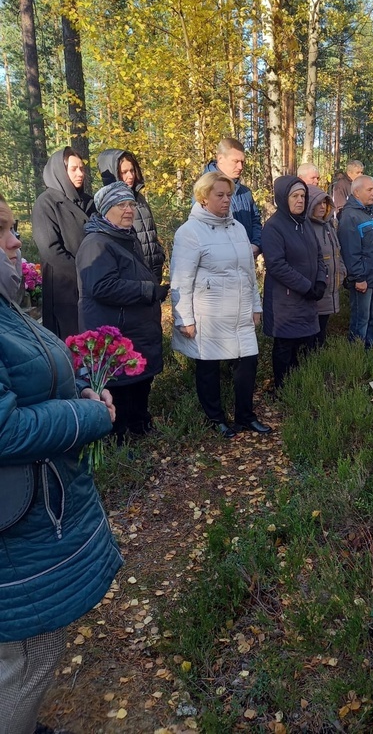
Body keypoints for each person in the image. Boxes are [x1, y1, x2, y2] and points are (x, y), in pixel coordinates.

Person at [0, 192, 121, 734]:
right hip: (14, 531)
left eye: (11, 228)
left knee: (24, 658)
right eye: (0, 232)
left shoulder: (5, 306)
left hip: (28, 515)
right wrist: (86, 415)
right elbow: (4, 428)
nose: (13, 241)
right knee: (24, 660)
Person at [170, 173, 271, 439]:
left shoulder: (237, 227)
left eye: (229, 195)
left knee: (248, 362)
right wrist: (184, 319)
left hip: (240, 312)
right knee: (208, 367)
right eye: (220, 195)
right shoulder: (189, 233)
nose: (227, 200)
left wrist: (256, 306)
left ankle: (246, 416)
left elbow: (248, 273)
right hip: (209, 314)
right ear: (203, 199)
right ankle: (215, 418)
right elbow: (180, 280)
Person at [76, 182, 167, 443]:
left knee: (139, 380)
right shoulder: (96, 243)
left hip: (134, 328)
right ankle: (120, 437)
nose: (129, 210)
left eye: (131, 204)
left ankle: (140, 425)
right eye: (121, 205)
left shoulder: (126, 238)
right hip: (114, 331)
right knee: (119, 385)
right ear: (106, 210)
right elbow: (101, 286)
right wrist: (147, 290)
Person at [262, 176, 326, 389]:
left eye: (303, 196)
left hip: (307, 298)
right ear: (283, 198)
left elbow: (318, 254)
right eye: (294, 196)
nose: (300, 200)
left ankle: (300, 386)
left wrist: (320, 281)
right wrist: (306, 286)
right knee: (285, 346)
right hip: (285, 302)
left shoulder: (305, 222)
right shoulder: (274, 227)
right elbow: (277, 265)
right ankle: (282, 389)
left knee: (305, 343)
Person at [32, 147, 95, 339]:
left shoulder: (88, 202)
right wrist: (83, 275)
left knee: (94, 340)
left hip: (92, 284)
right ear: (61, 171)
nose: (80, 173)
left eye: (82, 168)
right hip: (64, 286)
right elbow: (51, 249)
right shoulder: (46, 203)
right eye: (74, 169)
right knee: (71, 340)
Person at [97, 148, 166, 283]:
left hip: (153, 272)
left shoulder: (139, 199)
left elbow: (150, 231)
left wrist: (159, 254)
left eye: (132, 170)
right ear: (114, 174)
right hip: (132, 276)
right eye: (124, 172)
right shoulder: (107, 205)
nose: (130, 176)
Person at [337, 175, 373, 349]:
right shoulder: (350, 217)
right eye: (370, 190)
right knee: (361, 320)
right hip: (362, 279)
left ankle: (370, 349)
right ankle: (355, 356)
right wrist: (358, 277)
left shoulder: (369, 213)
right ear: (357, 192)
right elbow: (350, 252)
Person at [203, 138, 262, 256]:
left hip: (245, 262)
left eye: (242, 162)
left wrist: (256, 245)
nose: (240, 167)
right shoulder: (205, 189)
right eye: (235, 161)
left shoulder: (245, 192)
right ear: (220, 159)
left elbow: (255, 221)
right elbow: (204, 230)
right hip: (217, 265)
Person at [307, 185, 345, 346]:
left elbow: (338, 251)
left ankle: (318, 360)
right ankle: (309, 366)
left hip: (331, 289)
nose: (322, 207)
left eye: (325, 203)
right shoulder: (306, 228)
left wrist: (343, 271)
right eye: (318, 203)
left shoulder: (329, 225)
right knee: (312, 335)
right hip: (317, 290)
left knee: (322, 330)